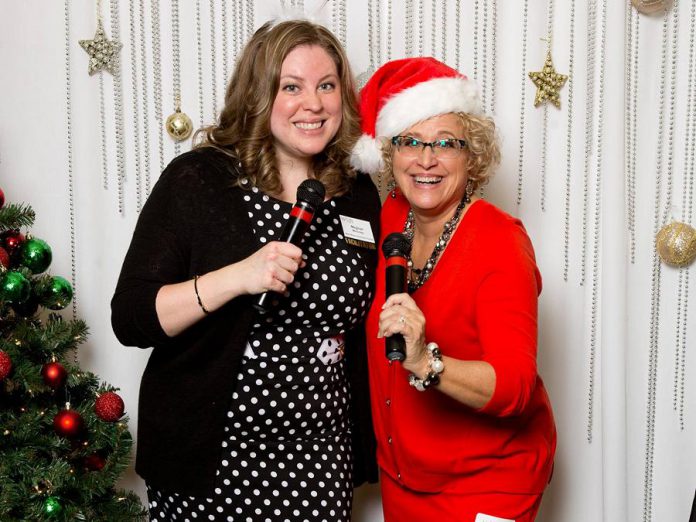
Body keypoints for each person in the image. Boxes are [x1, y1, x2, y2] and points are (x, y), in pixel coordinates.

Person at [111, 19, 380, 521]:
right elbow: (130, 318)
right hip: (215, 457)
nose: (314, 103)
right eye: (291, 87)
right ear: (259, 95)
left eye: (327, 86)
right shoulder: (201, 179)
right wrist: (238, 276)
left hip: (319, 459)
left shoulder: (357, 193)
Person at [350, 57, 556, 521]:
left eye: (446, 143)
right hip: (405, 476)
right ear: (390, 153)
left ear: (472, 154)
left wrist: (426, 361)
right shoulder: (389, 217)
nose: (426, 160)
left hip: (489, 480)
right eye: (411, 142)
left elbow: (516, 387)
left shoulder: (500, 241)